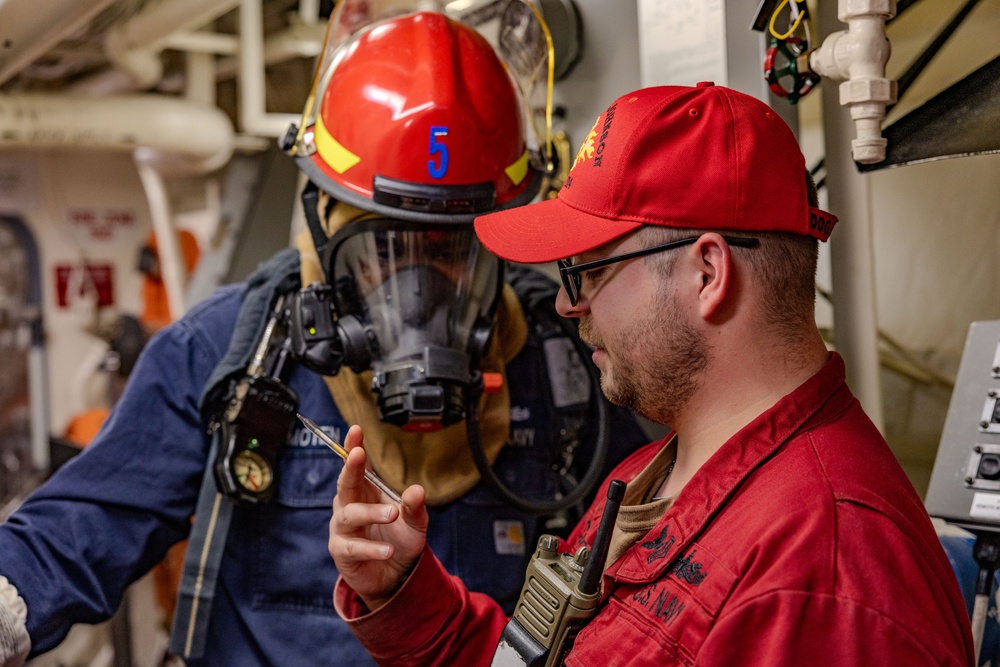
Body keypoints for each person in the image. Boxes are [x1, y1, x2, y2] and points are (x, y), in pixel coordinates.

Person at [0, 8, 649, 667]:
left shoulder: (559, 365)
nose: (418, 292)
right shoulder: (236, 349)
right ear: (328, 226)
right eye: (385, 251)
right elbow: (82, 527)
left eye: (453, 249)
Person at [329, 83, 976, 665]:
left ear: (707, 274)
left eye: (590, 269)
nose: (566, 303)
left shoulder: (826, 577)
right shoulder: (650, 478)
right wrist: (406, 590)